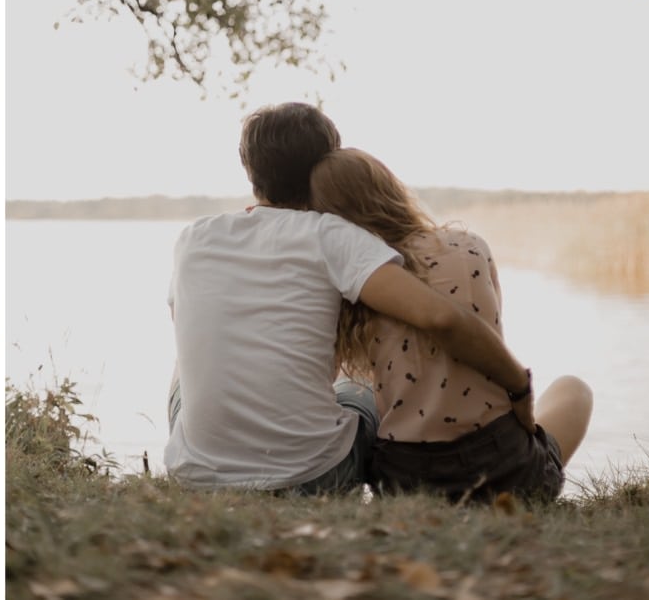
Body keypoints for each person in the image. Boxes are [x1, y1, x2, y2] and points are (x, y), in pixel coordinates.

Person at [164, 102, 538, 494]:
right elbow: (439, 318)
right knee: (356, 385)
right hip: (312, 478)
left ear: (248, 167)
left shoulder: (195, 237)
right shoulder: (331, 235)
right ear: (325, 162)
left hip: (197, 477)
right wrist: (519, 386)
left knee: (181, 368)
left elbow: (191, 329)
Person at [309, 147, 593, 502]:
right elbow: (490, 336)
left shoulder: (351, 282)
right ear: (390, 189)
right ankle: (530, 483)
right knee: (574, 389)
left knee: (356, 386)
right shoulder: (469, 245)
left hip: (404, 477)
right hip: (504, 466)